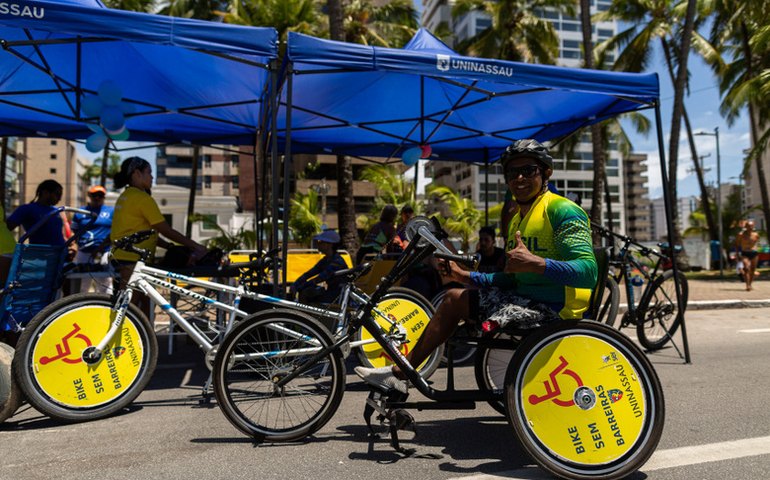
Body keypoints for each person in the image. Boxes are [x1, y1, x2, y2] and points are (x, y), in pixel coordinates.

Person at [354, 139, 597, 393]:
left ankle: (399, 373)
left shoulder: (564, 211)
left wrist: (539, 264)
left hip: (558, 310)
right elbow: (512, 280)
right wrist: (465, 276)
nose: (520, 178)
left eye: (529, 170)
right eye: (513, 172)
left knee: (454, 302)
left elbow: (588, 273)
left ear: (546, 172)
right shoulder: (517, 221)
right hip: (526, 300)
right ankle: (401, 373)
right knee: (453, 298)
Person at [111, 157, 206, 313]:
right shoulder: (142, 198)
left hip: (124, 257)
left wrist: (168, 246)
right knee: (129, 310)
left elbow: (143, 232)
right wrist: (195, 246)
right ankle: (121, 337)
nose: (152, 177)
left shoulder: (126, 196)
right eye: (149, 172)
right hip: (133, 260)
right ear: (136, 174)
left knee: (145, 306)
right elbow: (165, 229)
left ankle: (146, 337)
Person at [71, 185, 114, 294]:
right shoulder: (80, 211)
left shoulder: (111, 211)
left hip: (104, 253)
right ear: (89, 195)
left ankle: (106, 308)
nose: (97, 198)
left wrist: (102, 247)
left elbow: (115, 231)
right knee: (83, 286)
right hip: (83, 253)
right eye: (95, 195)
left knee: (105, 285)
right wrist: (73, 246)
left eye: (100, 195)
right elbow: (74, 232)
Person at [290, 229, 348, 304]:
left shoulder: (337, 261)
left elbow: (319, 278)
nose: (318, 244)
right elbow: (310, 273)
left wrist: (299, 287)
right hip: (331, 292)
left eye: (321, 242)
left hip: (338, 295)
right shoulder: (326, 259)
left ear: (329, 245)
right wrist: (295, 284)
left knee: (306, 293)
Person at [6, 179, 67, 247]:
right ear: (45, 192)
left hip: (60, 253)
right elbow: (6, 228)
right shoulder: (27, 209)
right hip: (39, 254)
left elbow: (58, 234)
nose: (60, 198)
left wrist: (70, 245)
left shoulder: (56, 211)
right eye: (57, 194)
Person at [736, 220, 760, 291]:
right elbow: (737, 244)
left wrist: (756, 248)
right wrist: (737, 253)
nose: (750, 227)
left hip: (754, 253)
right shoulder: (741, 235)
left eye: (752, 226)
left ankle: (750, 284)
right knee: (746, 268)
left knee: (752, 270)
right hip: (745, 253)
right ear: (746, 227)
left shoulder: (756, 234)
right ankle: (747, 285)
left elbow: (757, 242)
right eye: (749, 226)